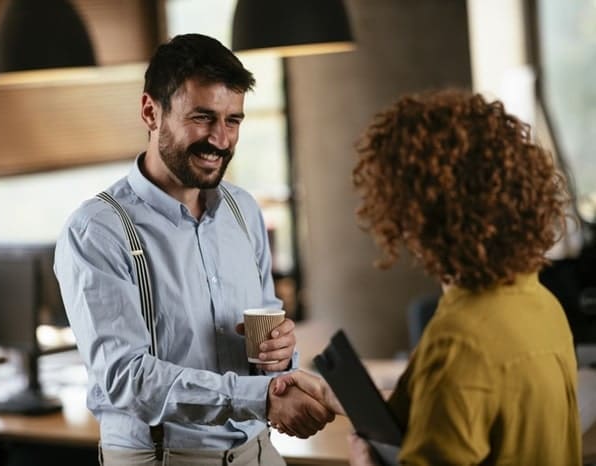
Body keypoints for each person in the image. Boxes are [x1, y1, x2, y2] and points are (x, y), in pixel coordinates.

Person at [54, 33, 334, 466]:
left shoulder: (242, 210)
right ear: (151, 111)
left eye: (233, 121)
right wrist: (260, 398)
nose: (220, 140)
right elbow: (127, 379)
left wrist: (281, 356)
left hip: (257, 453)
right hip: (163, 457)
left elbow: (268, 341)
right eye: (203, 118)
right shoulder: (98, 230)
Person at [274, 89, 581, 465]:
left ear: (417, 213)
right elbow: (451, 408)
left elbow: (461, 388)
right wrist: (333, 395)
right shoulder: (540, 304)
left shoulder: (461, 340)